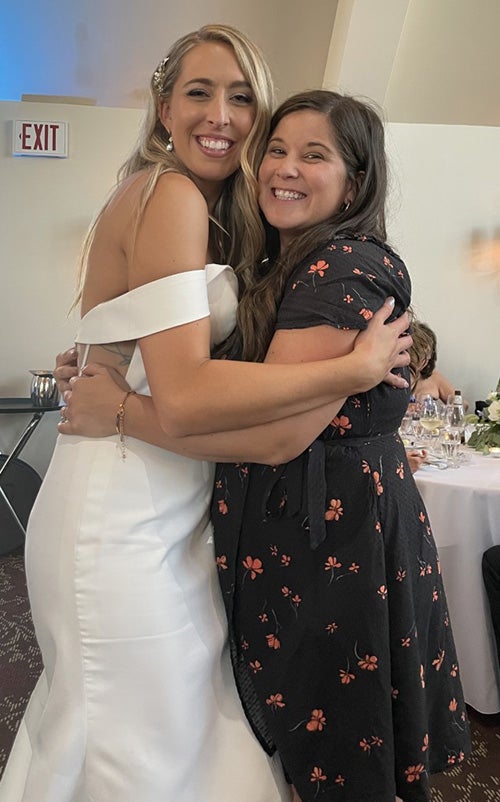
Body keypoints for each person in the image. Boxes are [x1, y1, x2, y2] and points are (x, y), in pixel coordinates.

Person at [0, 26, 412, 802]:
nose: (220, 115)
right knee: (133, 727)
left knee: (183, 718)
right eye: (198, 92)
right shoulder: (173, 193)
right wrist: (352, 368)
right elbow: (186, 395)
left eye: (241, 97)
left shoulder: (226, 212)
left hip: (172, 487)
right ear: (162, 108)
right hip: (122, 504)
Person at [208, 91, 470, 802]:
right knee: (322, 744)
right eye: (278, 149)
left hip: (334, 541)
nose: (283, 167)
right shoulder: (295, 261)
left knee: (332, 747)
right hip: (323, 531)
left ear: (354, 182)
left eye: (313, 155)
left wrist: (128, 413)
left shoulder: (343, 269)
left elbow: (273, 433)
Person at [411, 321, 468, 410]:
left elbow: (462, 403)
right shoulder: (394, 376)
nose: (424, 360)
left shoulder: (434, 376)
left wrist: (455, 405)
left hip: (427, 423)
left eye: (428, 354)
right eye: (419, 353)